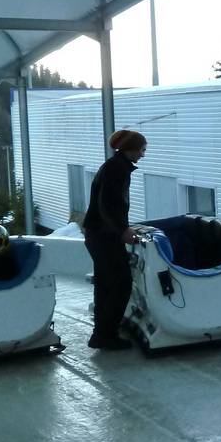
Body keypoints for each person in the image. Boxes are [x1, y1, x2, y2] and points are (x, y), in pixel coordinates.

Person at [82, 129, 147, 350]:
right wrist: (122, 230)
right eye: (141, 150)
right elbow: (108, 205)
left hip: (97, 234)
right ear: (131, 148)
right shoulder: (116, 169)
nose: (143, 154)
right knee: (121, 283)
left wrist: (122, 228)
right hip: (105, 236)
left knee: (105, 284)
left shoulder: (114, 166)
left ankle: (101, 333)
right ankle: (105, 335)